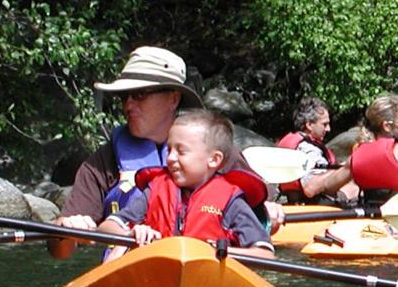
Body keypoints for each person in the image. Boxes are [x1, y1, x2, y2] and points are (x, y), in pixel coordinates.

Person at [53, 46, 280, 254]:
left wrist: (268, 213)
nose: (128, 104)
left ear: (173, 98)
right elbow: (59, 251)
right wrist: (66, 230)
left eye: (140, 94)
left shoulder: (213, 150)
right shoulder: (103, 162)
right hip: (136, 270)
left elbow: (262, 217)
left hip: (208, 271)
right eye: (124, 96)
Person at [97, 109, 275, 259]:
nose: (170, 158)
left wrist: (220, 252)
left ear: (214, 159)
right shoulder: (155, 190)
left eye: (181, 151)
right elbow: (106, 227)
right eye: (169, 150)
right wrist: (131, 234)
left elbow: (265, 254)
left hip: (208, 278)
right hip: (156, 274)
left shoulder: (231, 201)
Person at [276, 97, 355, 204]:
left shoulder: (297, 143)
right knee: (355, 184)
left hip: (294, 200)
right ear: (309, 125)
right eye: (324, 124)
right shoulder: (308, 149)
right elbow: (310, 188)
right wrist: (346, 168)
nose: (328, 129)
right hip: (314, 203)